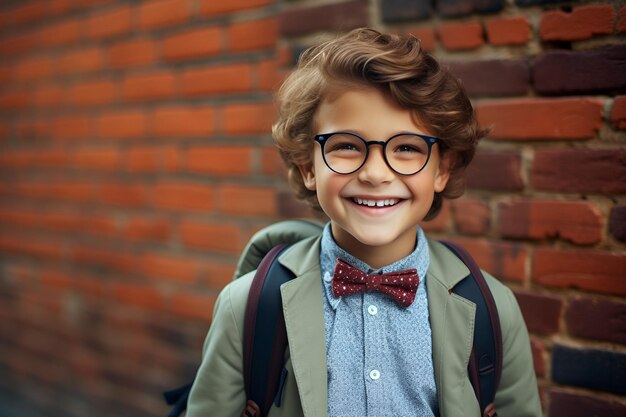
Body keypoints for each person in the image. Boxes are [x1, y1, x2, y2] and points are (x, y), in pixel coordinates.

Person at [186, 28, 541, 417]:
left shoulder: (493, 309)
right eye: (346, 146)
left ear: (443, 169)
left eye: (407, 148)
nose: (375, 173)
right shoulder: (246, 305)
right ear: (308, 167)